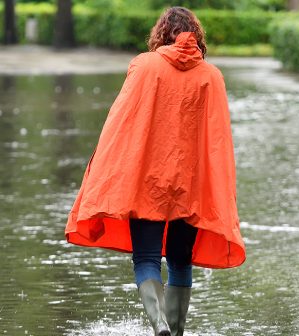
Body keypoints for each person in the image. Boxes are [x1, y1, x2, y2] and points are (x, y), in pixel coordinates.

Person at [64, 7, 246, 336]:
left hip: (148, 181)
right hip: (191, 186)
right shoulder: (212, 76)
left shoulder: (144, 66)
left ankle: (159, 324)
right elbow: (217, 141)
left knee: (146, 258)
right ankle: (175, 332)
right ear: (196, 34)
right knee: (179, 260)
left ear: (161, 33)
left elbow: (120, 124)